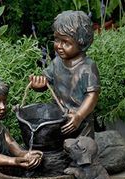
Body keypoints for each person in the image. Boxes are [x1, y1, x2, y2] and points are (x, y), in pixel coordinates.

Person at [30, 10, 100, 139]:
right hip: (58, 117)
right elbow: (46, 82)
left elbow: (92, 95)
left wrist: (79, 115)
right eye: (57, 39)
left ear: (81, 42)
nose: (59, 46)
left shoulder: (87, 67)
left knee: (81, 149)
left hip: (79, 122)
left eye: (66, 42)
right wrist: (38, 84)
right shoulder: (57, 62)